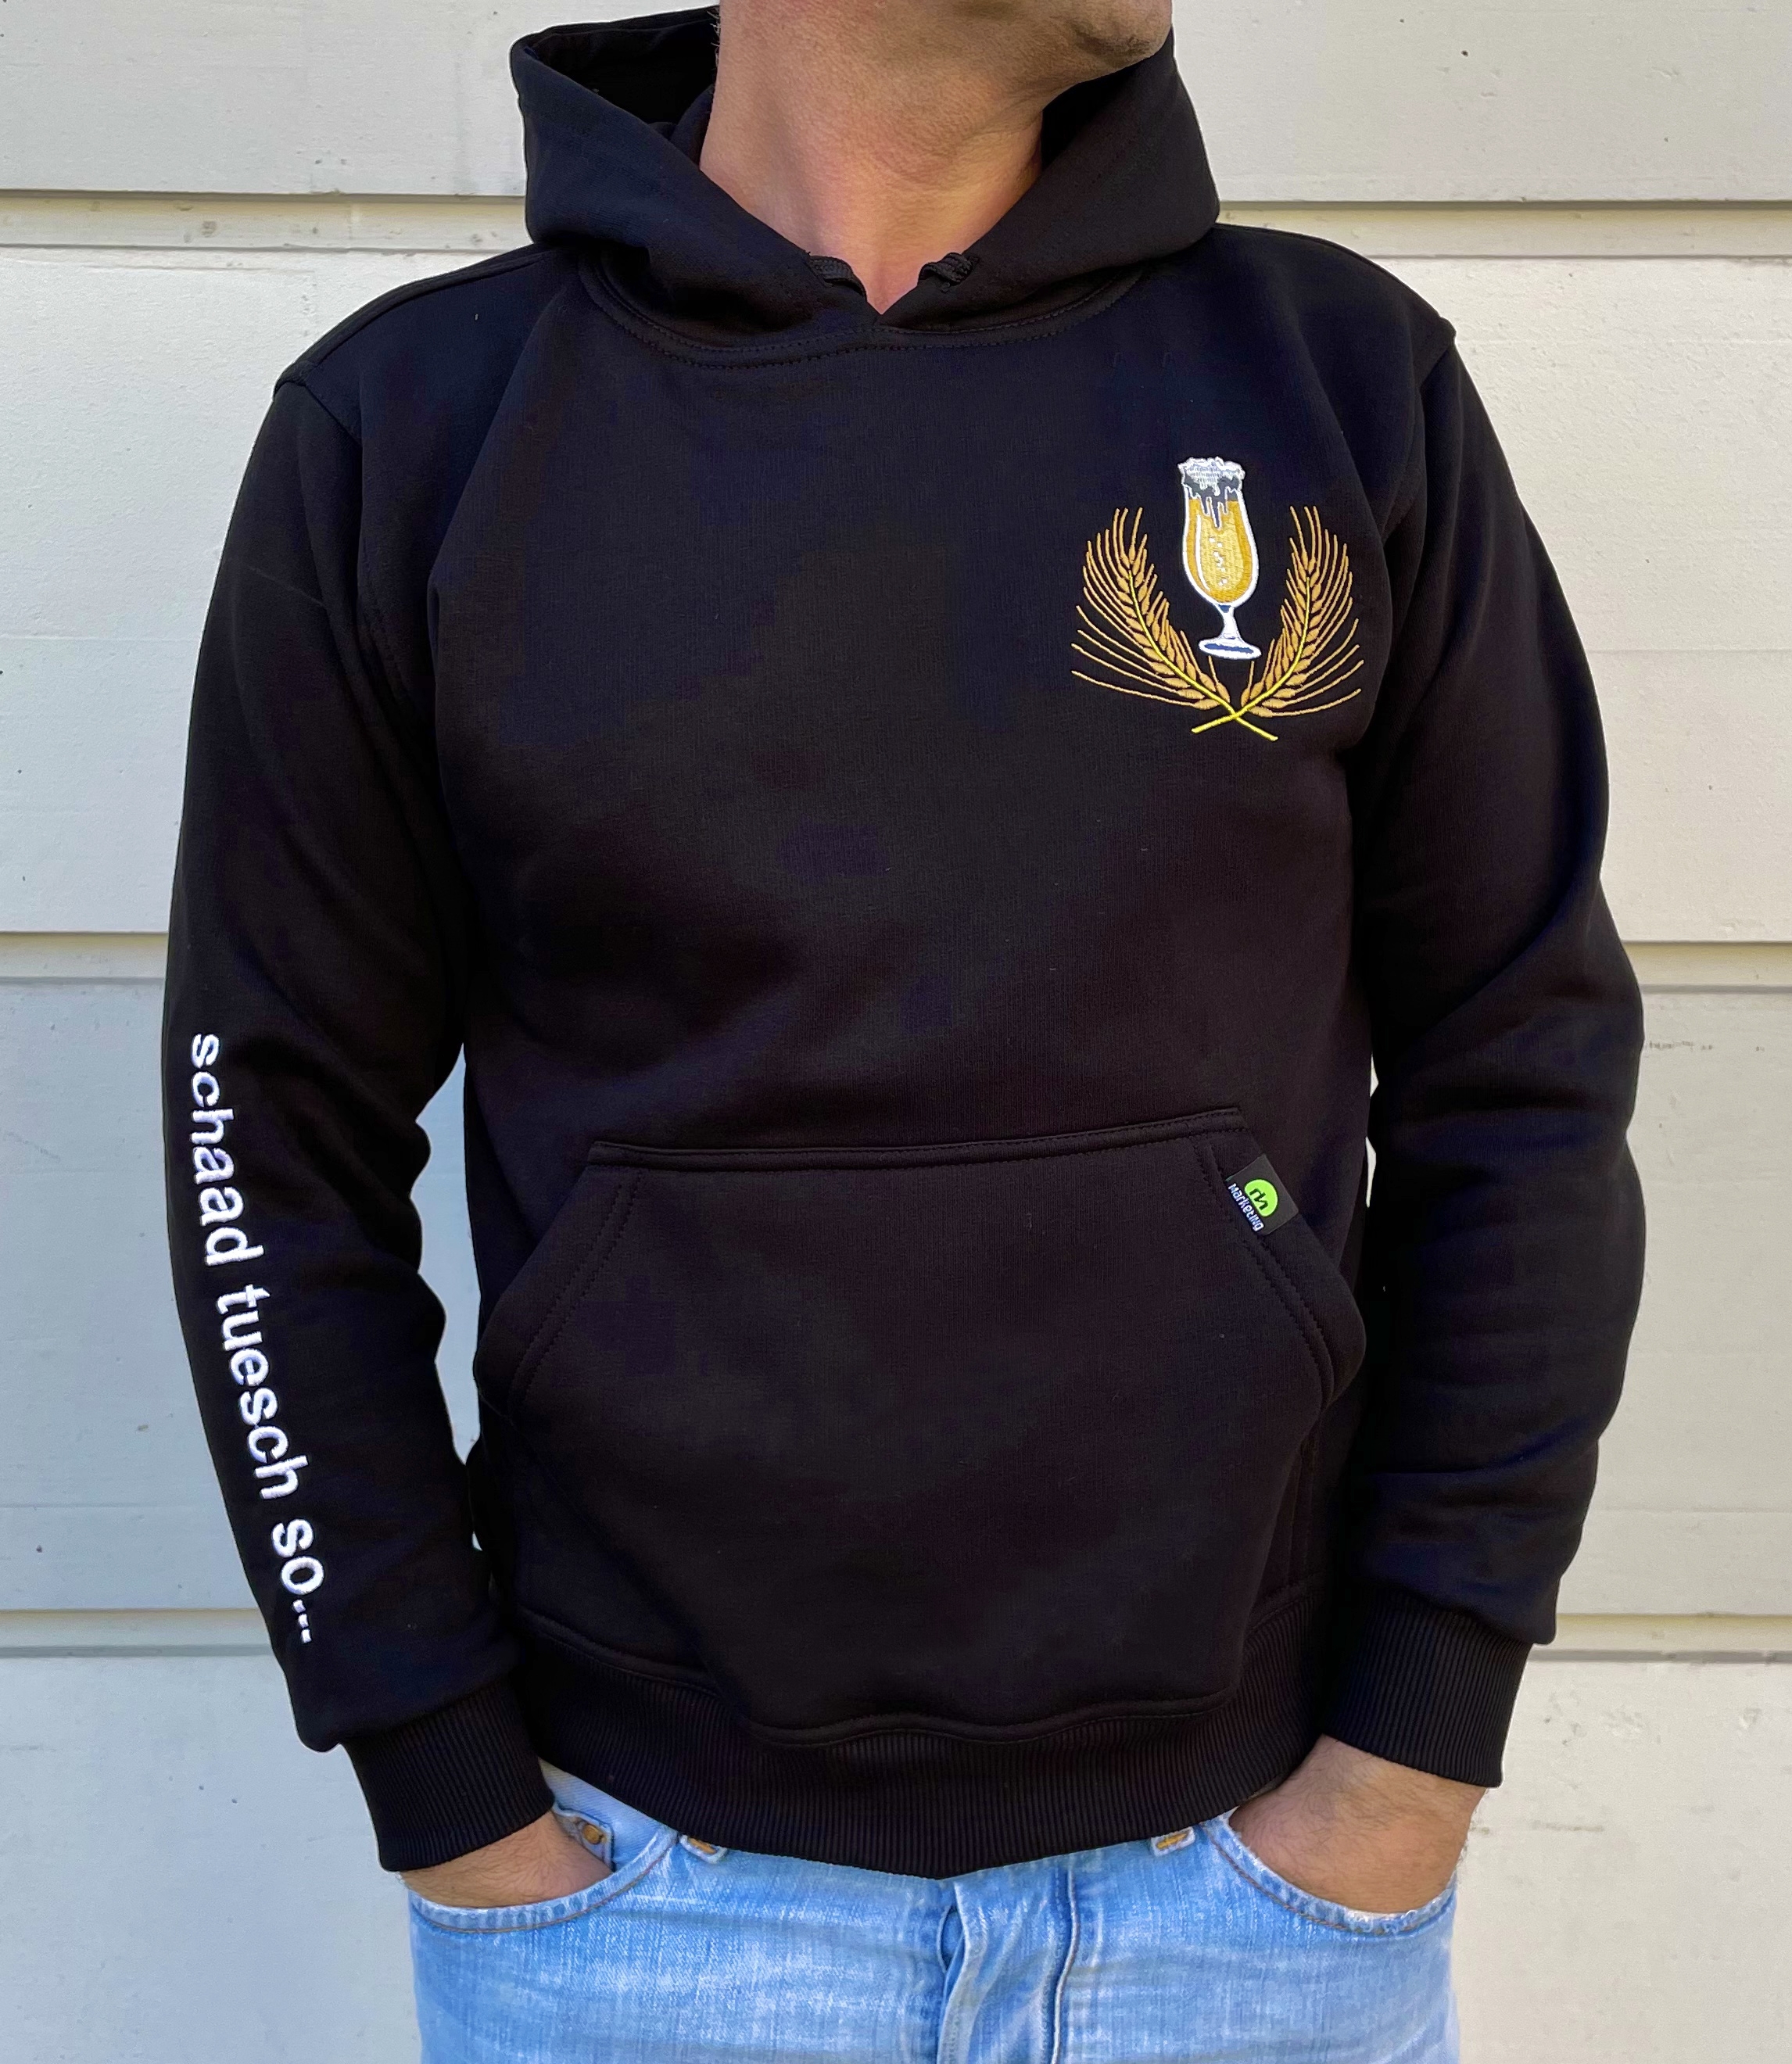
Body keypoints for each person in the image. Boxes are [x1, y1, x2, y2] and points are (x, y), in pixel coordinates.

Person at [162, 3, 1646, 2057]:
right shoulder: (420, 427)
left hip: (1256, 1909)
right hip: (644, 1912)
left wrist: (1408, 1757)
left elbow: (1524, 1068)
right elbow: (264, 1128)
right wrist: (447, 1786)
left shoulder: (1330, 379)